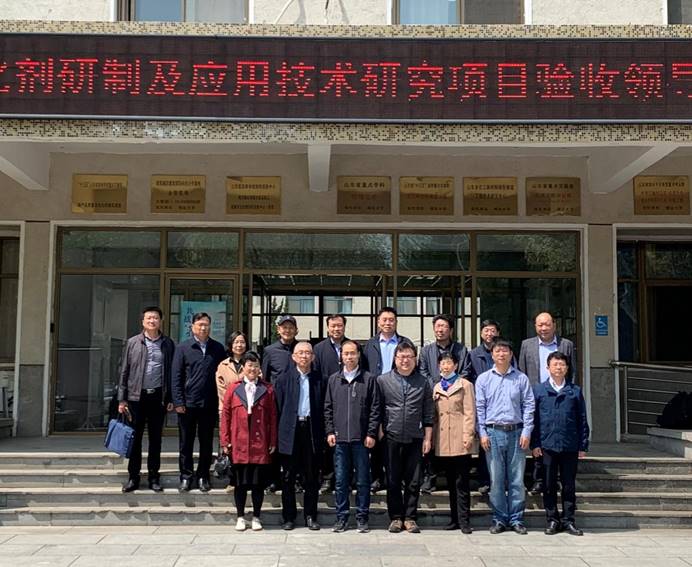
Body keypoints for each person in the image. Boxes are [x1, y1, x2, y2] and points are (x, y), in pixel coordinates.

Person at [476, 337, 535, 535]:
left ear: (511, 354)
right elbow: (480, 408)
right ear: (492, 355)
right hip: (493, 433)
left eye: (505, 351)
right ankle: (499, 518)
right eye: (497, 351)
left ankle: (516, 519)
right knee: (496, 479)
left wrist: (527, 430)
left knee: (517, 479)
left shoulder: (521, 378)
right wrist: (482, 433)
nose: (501, 354)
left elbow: (529, 405)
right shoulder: (483, 379)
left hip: (517, 433)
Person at [377, 340, 433, 534]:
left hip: (415, 437)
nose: (405, 360)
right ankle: (395, 517)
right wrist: (380, 431)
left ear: (415, 359)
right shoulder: (383, 380)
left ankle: (410, 517)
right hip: (391, 436)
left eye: (409, 357)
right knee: (392, 479)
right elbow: (378, 408)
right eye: (401, 357)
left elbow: (428, 413)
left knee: (413, 480)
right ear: (395, 359)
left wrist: (428, 438)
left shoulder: (424, 382)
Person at [117, 306, 175, 493]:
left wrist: (170, 398)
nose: (152, 321)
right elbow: (124, 371)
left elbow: (172, 373)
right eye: (149, 318)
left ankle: (153, 477)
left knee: (155, 440)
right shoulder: (133, 342)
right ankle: (133, 477)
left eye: (155, 318)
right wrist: (122, 399)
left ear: (161, 321)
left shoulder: (168, 344)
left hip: (157, 398)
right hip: (136, 398)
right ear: (143, 321)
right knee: (135, 439)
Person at [324, 340, 380, 533]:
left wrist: (371, 433)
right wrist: (330, 431)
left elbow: (375, 409)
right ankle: (342, 518)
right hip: (340, 440)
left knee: (363, 481)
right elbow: (328, 408)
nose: (349, 357)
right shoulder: (334, 380)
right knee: (341, 481)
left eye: (352, 353)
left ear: (358, 355)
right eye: (346, 353)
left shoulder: (369, 379)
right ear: (341, 356)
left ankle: (362, 518)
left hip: (361, 440)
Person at [532, 351, 590, 536]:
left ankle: (568, 520)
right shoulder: (539, 390)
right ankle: (552, 520)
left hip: (569, 445)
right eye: (555, 364)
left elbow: (582, 419)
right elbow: (534, 419)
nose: (559, 367)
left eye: (562, 364)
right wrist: (535, 444)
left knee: (569, 485)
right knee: (548, 485)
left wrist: (583, 445)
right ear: (547, 368)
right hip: (547, 445)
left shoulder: (575, 391)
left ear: (567, 368)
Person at [518, 311, 576, 495]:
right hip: (536, 396)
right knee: (537, 435)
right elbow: (522, 371)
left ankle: (557, 479)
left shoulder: (566, 345)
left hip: (560, 396)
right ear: (535, 326)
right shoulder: (527, 345)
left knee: (557, 434)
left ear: (554, 326)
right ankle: (539, 479)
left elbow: (572, 371)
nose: (543, 328)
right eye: (540, 325)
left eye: (547, 324)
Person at [220, 351, 277, 532]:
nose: (252, 369)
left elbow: (273, 417)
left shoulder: (268, 389)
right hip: (239, 444)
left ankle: (257, 517)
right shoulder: (233, 388)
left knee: (258, 484)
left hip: (260, 444)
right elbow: (226, 415)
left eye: (256, 365)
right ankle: (240, 517)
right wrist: (225, 440)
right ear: (243, 368)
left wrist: (272, 440)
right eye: (249, 365)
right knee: (240, 484)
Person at [171, 312, 227, 493]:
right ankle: (186, 477)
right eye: (200, 324)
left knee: (206, 442)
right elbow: (176, 376)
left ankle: (203, 476)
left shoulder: (217, 348)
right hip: (187, 404)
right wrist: (178, 401)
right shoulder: (183, 347)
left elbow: (222, 376)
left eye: (206, 325)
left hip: (209, 404)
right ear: (192, 327)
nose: (203, 328)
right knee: (185, 443)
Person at [418, 314, 471, 493]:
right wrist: (438, 387)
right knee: (431, 437)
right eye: (437, 326)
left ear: (451, 330)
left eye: (444, 326)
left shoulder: (461, 350)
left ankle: (452, 479)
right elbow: (423, 372)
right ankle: (430, 478)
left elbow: (465, 371)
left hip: (455, 400)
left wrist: (451, 387)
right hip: (433, 398)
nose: (440, 330)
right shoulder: (426, 351)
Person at [274, 341, 324, 530]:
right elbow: (277, 409)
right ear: (293, 357)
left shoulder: (320, 379)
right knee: (288, 477)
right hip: (290, 431)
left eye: (307, 353)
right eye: (300, 353)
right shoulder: (283, 379)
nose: (304, 356)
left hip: (311, 430)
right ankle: (289, 517)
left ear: (313, 357)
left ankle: (310, 515)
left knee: (311, 476)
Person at [362, 306, 410, 493]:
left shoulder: (404, 342)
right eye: (384, 320)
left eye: (391, 320)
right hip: (377, 392)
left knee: (398, 436)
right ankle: (377, 477)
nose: (388, 323)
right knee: (375, 432)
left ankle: (399, 477)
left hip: (399, 392)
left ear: (396, 322)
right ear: (378, 322)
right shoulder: (370, 344)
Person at [432, 351, 476, 534]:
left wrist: (468, 435)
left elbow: (470, 412)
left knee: (461, 483)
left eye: (449, 363)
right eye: (442, 363)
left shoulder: (465, 385)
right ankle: (454, 519)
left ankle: (464, 520)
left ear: (456, 365)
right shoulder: (437, 387)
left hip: (460, 438)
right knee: (450, 483)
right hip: (443, 440)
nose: (445, 366)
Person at [467, 319, 505, 495]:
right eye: (486, 330)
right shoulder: (474, 354)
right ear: (481, 333)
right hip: (482, 402)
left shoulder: (505, 352)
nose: (489, 334)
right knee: (485, 442)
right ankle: (484, 480)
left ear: (498, 333)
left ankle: (501, 480)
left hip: (502, 403)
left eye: (492, 330)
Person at [313, 314, 348, 493]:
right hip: (326, 401)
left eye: (339, 325)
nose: (336, 329)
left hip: (349, 401)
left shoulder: (352, 346)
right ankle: (327, 477)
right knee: (328, 442)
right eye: (333, 326)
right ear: (328, 328)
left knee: (347, 441)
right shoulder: (319, 349)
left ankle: (346, 478)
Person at [216, 331, 249, 412]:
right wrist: (234, 402)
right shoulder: (223, 365)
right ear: (231, 345)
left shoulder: (251, 364)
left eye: (242, 342)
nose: (239, 345)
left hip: (247, 408)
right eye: (236, 342)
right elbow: (221, 390)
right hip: (227, 408)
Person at [261, 314, 299, 382]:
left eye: (291, 328)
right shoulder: (269, 351)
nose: (287, 330)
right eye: (284, 327)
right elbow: (265, 379)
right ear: (278, 330)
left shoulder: (302, 350)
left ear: (296, 330)